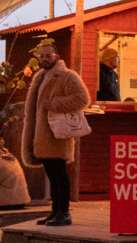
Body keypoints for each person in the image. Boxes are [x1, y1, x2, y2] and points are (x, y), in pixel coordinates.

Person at [20, 39, 89, 227]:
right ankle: (56, 211)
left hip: (57, 136)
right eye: (41, 56)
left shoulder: (66, 76)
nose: (44, 59)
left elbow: (82, 99)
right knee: (52, 175)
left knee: (59, 175)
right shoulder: (41, 77)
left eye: (48, 56)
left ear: (56, 57)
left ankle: (64, 212)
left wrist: (57, 103)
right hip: (42, 135)